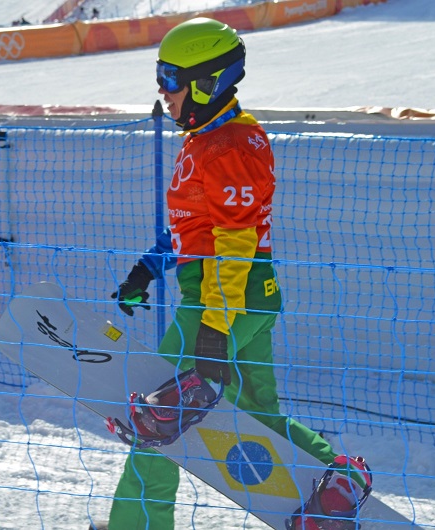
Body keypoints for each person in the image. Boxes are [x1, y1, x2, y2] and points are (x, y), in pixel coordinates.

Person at [99, 17, 371, 530]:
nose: (163, 90)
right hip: (243, 299)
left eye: (171, 78)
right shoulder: (209, 141)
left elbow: (236, 245)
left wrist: (214, 325)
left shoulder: (229, 146)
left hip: (222, 299)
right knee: (258, 416)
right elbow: (195, 230)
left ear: (208, 81)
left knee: (156, 427)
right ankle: (339, 480)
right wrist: (147, 269)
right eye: (160, 76)